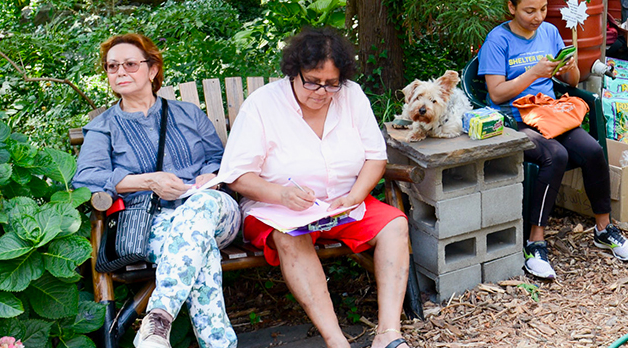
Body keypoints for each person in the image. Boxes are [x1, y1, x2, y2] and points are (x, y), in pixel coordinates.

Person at [216, 28, 412, 348]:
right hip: (276, 210)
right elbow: (236, 176)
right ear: (294, 71)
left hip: (341, 204)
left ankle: (388, 334)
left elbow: (376, 158)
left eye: (331, 83)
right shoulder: (263, 105)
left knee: (395, 224)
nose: (321, 91)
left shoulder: (351, 95)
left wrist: (354, 196)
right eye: (312, 81)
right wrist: (281, 195)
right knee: (290, 236)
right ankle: (337, 341)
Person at [72, 34, 240, 348]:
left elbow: (222, 160)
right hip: (150, 224)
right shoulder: (103, 127)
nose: (119, 72)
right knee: (197, 251)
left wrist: (210, 176)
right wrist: (149, 181)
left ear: (152, 70)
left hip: (215, 212)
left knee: (200, 208)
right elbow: (87, 178)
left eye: (130, 64)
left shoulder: (187, 114)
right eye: (112, 67)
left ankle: (158, 318)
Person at [481, 0, 628, 280]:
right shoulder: (498, 40)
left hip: (549, 115)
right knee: (556, 156)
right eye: (529, 11)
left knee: (593, 150)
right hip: (513, 120)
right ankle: (534, 242)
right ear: (511, 7)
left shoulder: (551, 32)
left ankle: (604, 228)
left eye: (542, 9)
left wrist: (568, 65)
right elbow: (496, 94)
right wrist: (533, 73)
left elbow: (571, 79)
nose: (538, 17)